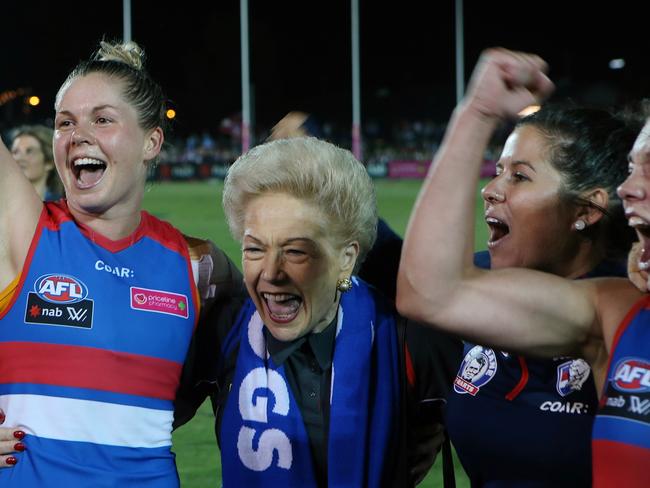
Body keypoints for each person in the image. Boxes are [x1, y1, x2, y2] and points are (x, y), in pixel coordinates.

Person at [396, 47, 649, 487]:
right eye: (630, 169)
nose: (627, 189)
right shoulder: (616, 310)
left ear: (587, 210)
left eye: (520, 176)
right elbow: (431, 293)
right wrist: (477, 112)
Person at [0, 40, 242, 485]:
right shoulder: (24, 236)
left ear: (152, 141)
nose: (79, 135)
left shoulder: (198, 265)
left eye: (103, 119)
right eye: (64, 122)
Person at [174, 136, 461, 487]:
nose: (271, 273)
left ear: (346, 258)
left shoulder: (406, 337)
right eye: (254, 249)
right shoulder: (223, 331)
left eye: (296, 251)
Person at [443, 103, 639, 487]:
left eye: (519, 176)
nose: (491, 190)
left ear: (585, 208)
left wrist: (479, 112)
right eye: (498, 171)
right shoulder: (473, 282)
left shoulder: (627, 308)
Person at [9, 125, 63, 201]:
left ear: (49, 163)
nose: (19, 158)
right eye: (15, 152)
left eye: (29, 151)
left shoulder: (62, 208)